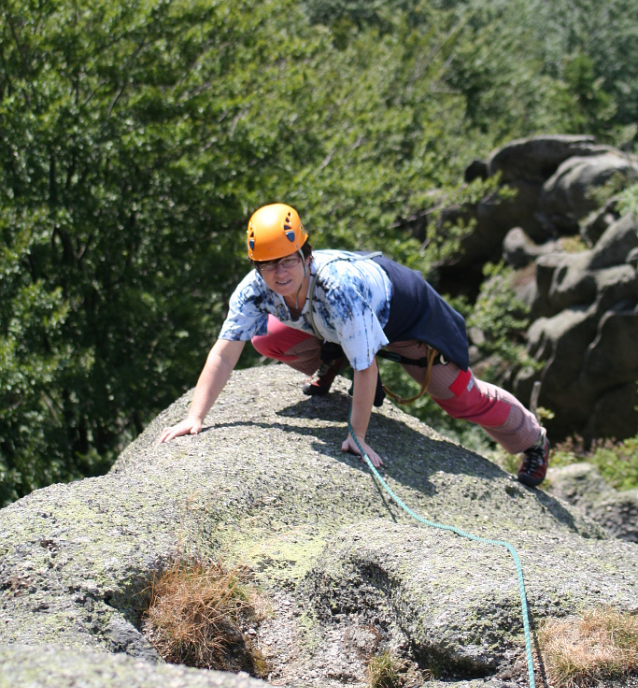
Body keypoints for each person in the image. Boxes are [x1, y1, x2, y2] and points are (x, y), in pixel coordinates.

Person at [159, 203, 550, 487]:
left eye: (288, 261)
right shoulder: (254, 291)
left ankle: (533, 440)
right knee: (266, 335)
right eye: (267, 264)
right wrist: (196, 418)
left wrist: (357, 435)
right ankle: (334, 354)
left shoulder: (337, 288)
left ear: (305, 255)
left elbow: (367, 367)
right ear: (255, 266)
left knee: (462, 400)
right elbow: (226, 351)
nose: (279, 273)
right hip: (342, 321)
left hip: (406, 317)